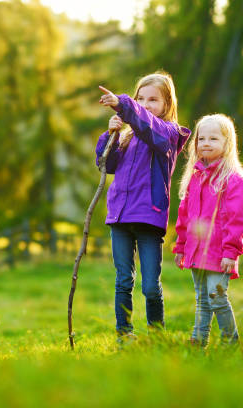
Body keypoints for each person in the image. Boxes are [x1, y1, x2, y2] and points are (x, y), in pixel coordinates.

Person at [96, 71, 191, 337]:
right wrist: (110, 136)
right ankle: (124, 333)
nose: (146, 104)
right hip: (121, 217)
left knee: (150, 285)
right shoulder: (128, 136)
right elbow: (107, 164)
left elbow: (148, 125)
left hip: (149, 217)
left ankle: (156, 334)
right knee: (123, 280)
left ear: (167, 105)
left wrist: (125, 105)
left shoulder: (168, 135)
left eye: (153, 100)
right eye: (141, 98)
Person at [172, 113, 243, 347]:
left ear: (227, 144)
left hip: (220, 252)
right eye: (201, 139)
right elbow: (184, 216)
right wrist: (180, 247)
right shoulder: (194, 178)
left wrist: (231, 252)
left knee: (216, 297)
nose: (205, 143)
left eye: (213, 139)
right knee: (201, 299)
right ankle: (198, 340)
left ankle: (230, 341)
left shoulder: (233, 179)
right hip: (196, 250)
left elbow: (238, 219)